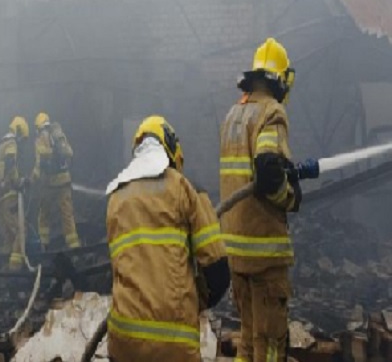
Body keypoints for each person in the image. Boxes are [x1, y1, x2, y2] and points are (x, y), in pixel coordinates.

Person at [106, 115, 230, 362]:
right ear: (171, 148)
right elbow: (218, 272)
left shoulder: (116, 199)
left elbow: (121, 271)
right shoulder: (186, 189)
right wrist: (190, 302)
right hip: (175, 345)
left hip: (122, 341)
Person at [219, 38, 302, 362]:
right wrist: (290, 197)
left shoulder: (233, 115)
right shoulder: (272, 112)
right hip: (265, 254)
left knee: (248, 344)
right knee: (269, 346)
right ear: (281, 80)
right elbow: (267, 171)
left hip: (236, 253)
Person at [31, 112, 80, 250]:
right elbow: (70, 153)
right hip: (65, 180)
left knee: (44, 213)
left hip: (50, 183)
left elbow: (39, 162)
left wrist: (33, 178)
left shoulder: (41, 138)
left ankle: (43, 244)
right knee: (67, 214)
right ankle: (74, 246)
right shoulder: (59, 135)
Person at [0, 116, 30, 271]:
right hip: (10, 195)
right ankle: (15, 268)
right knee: (20, 231)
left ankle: (6, 267)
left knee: (8, 237)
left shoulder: (1, 144)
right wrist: (18, 181)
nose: (21, 144)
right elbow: (11, 164)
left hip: (2, 198)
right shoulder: (11, 143)